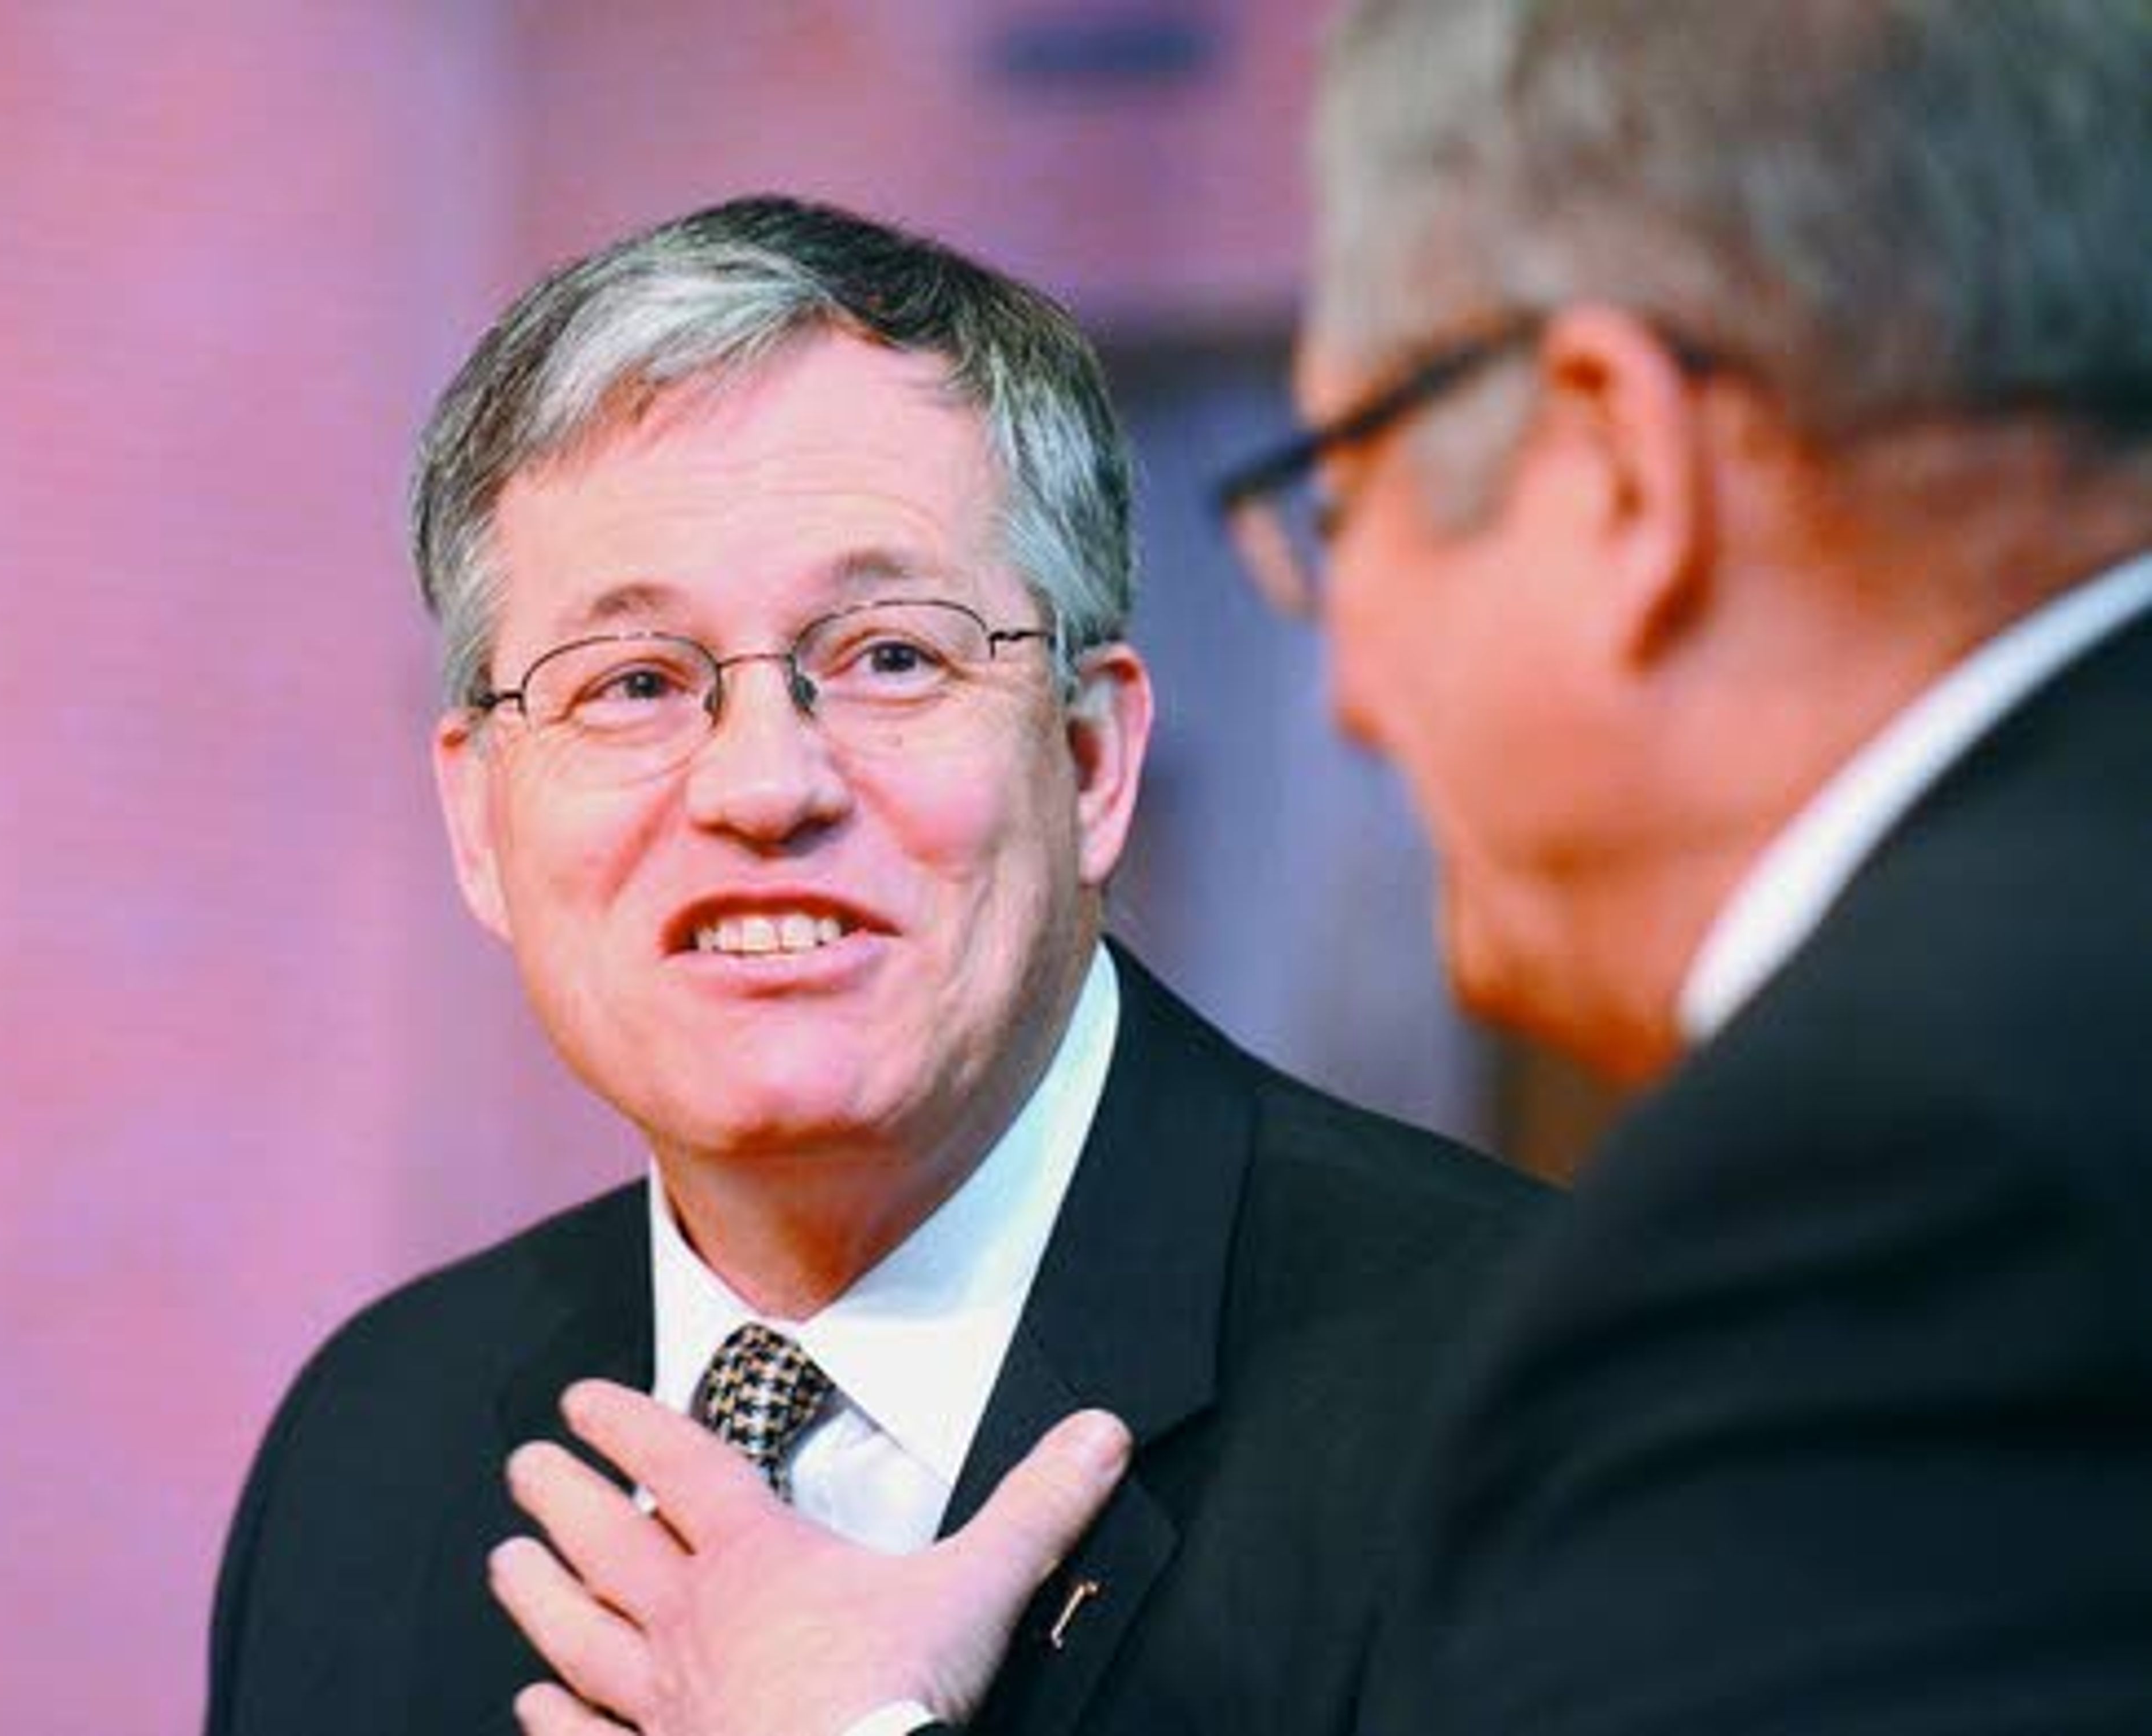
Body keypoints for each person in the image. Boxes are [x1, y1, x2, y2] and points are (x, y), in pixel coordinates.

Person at [544, 4, 2152, 1733]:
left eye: (1339, 500)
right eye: (634, 686)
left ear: (1621, 466)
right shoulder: (382, 1429)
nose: (1354, 693)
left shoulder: (1880, 1188)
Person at [201, 195, 1546, 1736]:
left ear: (1094, 757)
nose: (765, 788)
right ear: (480, 820)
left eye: (888, 657)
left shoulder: (1527, 1404)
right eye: (634, 682)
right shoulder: (370, 1452)